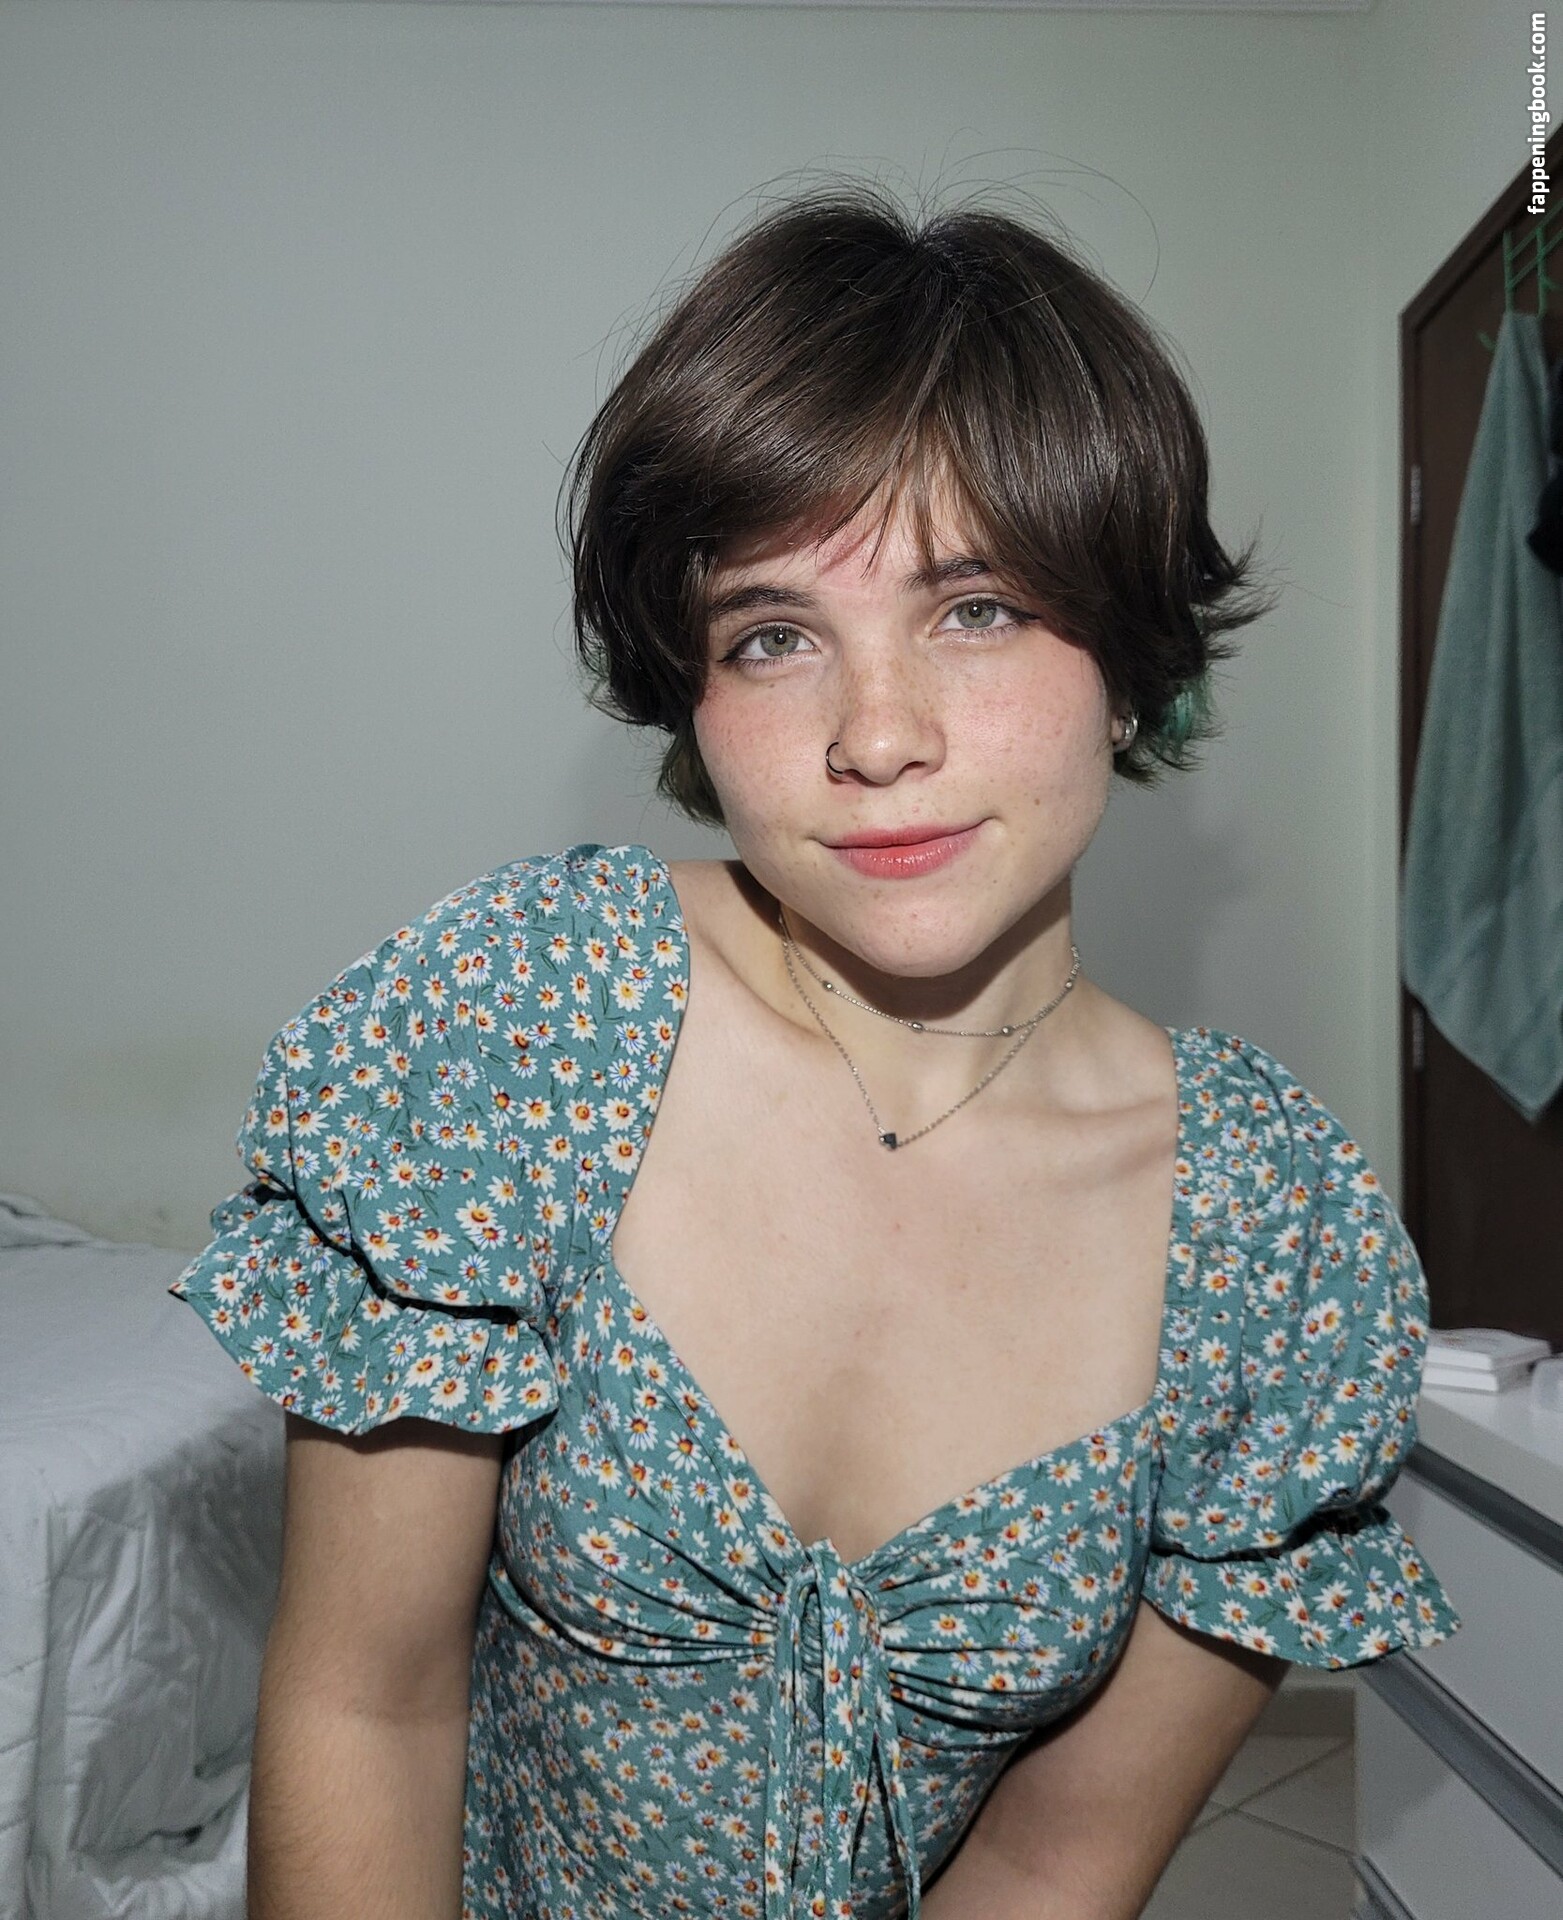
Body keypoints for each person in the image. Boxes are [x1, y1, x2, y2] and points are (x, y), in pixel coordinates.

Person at [171, 183, 1459, 1920]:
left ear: (1132, 655)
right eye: (774, 636)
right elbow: (366, 1706)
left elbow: (1059, 1862)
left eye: (976, 608)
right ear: (691, 695)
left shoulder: (1267, 1240)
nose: (876, 735)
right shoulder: (522, 1023)